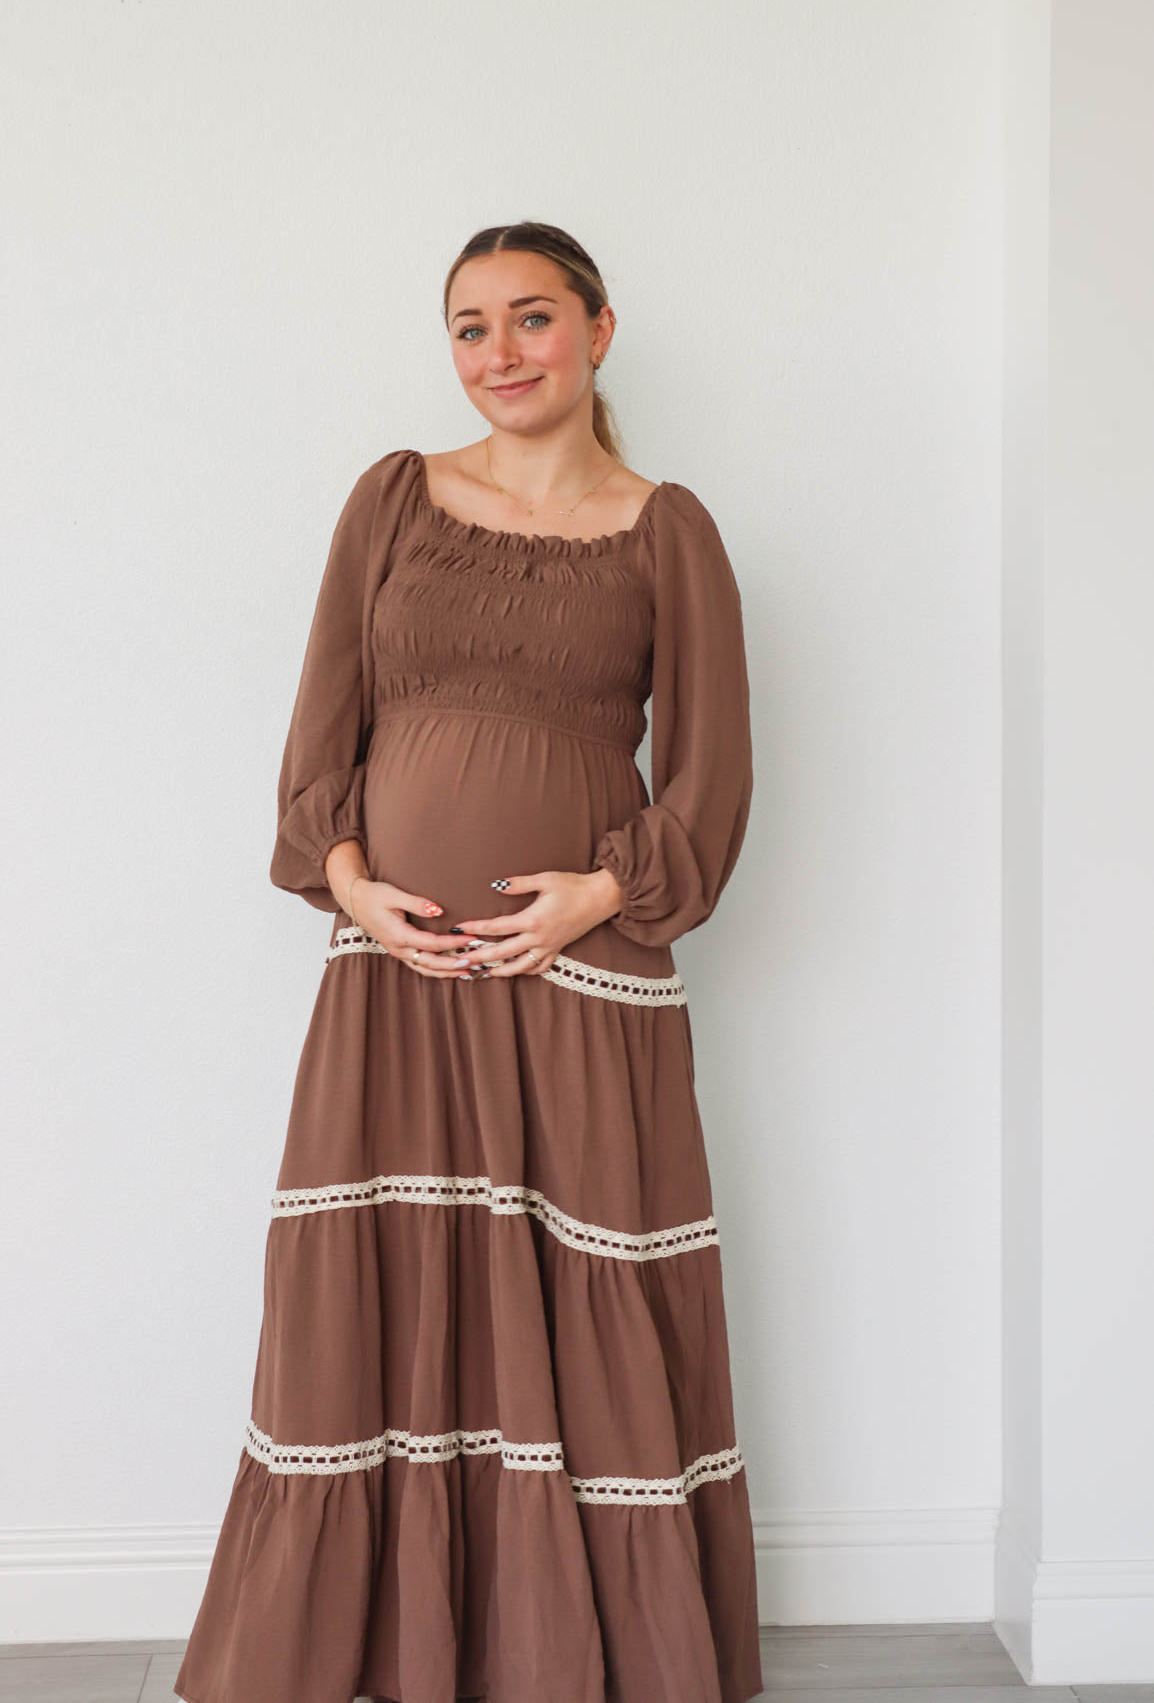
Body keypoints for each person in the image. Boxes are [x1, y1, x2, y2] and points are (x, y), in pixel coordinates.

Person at [174, 221, 763, 1703]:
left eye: (532, 320)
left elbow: (707, 773)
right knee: (388, 1288)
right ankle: (378, 1644)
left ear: (601, 332)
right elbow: (327, 717)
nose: (499, 354)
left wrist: (593, 897)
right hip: (398, 977)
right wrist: (353, 884)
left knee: (582, 1293)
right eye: (468, 326)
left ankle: (579, 1655)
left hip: (582, 981)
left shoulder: (664, 527)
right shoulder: (393, 498)